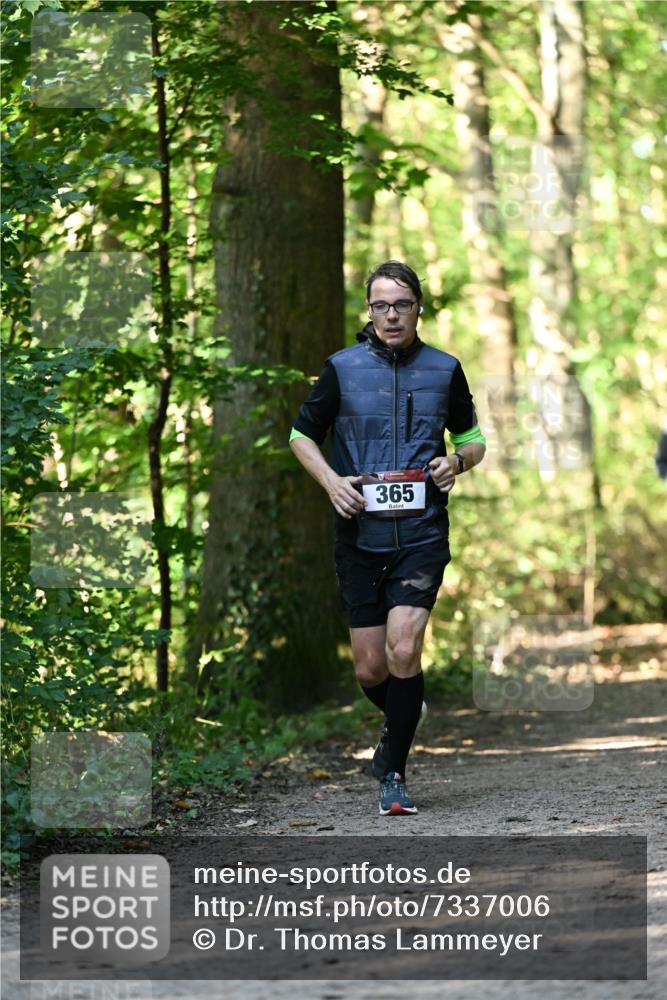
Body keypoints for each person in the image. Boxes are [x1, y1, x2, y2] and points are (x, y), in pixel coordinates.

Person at [289, 261, 486, 815]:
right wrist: (331, 482)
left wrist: (456, 462)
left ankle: (393, 771)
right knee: (372, 668)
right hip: (358, 535)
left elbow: (473, 440)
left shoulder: (445, 369)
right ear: (369, 311)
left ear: (419, 307)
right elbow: (301, 435)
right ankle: (405, 709)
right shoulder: (341, 369)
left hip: (421, 534)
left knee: (405, 647)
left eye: (401, 304)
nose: (391, 315)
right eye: (381, 305)